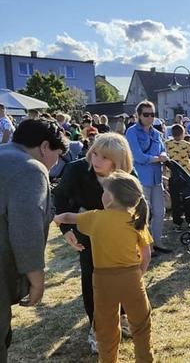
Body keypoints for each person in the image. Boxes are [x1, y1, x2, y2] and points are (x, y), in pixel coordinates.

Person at [53, 171, 154, 363]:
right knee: (141, 325)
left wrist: (57, 219)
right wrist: (138, 274)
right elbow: (147, 255)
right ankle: (145, 359)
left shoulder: (95, 217)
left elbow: (68, 217)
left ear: (109, 196)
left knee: (106, 326)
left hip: (102, 280)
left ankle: (108, 360)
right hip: (132, 278)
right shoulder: (137, 220)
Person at [53, 133, 136, 352]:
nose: (97, 160)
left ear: (118, 161)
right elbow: (59, 197)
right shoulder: (77, 169)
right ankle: (98, 327)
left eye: (105, 157)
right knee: (92, 278)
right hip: (88, 231)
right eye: (95, 153)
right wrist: (66, 229)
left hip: (119, 234)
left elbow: (139, 203)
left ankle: (121, 316)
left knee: (120, 275)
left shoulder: (127, 175)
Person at [0, 118, 67, 362]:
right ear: (45, 147)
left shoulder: (4, 154)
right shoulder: (30, 168)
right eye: (56, 155)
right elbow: (26, 229)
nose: (54, 163)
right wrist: (36, 280)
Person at [125, 100, 172, 254]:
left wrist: (163, 154)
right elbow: (137, 156)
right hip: (141, 178)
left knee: (160, 212)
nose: (150, 117)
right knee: (142, 214)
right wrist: (158, 158)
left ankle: (156, 241)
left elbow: (163, 149)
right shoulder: (132, 132)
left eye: (152, 114)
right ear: (138, 115)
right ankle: (143, 246)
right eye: (146, 114)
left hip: (156, 178)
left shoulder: (156, 133)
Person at [166, 124, 190, 231]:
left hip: (173, 176)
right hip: (186, 176)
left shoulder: (167, 144)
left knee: (175, 201)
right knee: (188, 198)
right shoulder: (187, 144)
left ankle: (177, 223)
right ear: (183, 133)